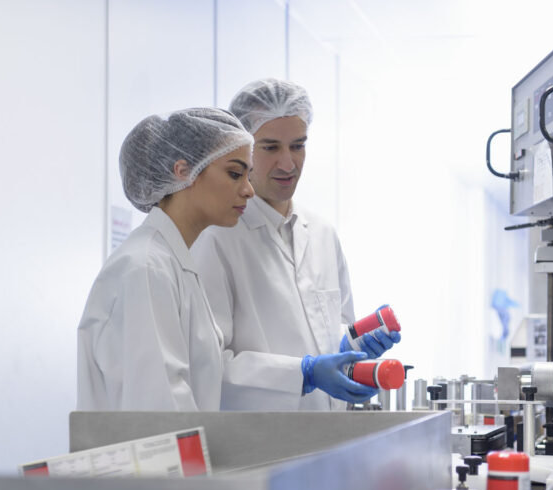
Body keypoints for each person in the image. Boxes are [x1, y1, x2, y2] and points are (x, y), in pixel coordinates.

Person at [77, 107, 368, 411]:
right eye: (234, 173)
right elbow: (160, 413)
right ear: (182, 171)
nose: (248, 189)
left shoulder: (175, 265)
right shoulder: (146, 269)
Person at [192, 78, 400, 411]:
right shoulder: (216, 238)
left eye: (298, 145)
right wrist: (302, 374)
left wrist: (352, 346)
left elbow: (331, 330)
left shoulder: (322, 234)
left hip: (327, 440)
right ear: (240, 150)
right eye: (271, 147)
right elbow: (208, 365)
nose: (288, 164)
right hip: (261, 446)